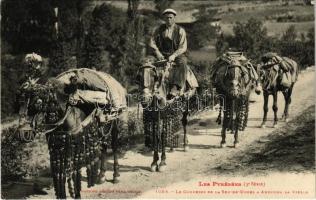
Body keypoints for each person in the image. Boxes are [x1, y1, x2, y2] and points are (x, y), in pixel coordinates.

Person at [149, 8, 188, 97]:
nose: (169, 20)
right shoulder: (158, 29)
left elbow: (183, 46)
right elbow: (152, 42)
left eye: (170, 17)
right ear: (164, 19)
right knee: (147, 63)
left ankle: (175, 87)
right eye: (167, 18)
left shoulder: (180, 30)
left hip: (176, 54)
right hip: (161, 53)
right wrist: (157, 52)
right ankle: (146, 87)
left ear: (174, 18)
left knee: (183, 62)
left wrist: (174, 55)